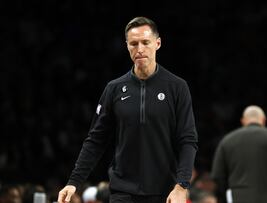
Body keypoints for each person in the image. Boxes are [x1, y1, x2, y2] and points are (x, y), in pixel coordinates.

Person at [57, 16, 198, 203]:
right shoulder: (114, 89)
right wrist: (73, 181)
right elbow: (96, 140)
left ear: (158, 43)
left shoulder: (177, 87)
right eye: (133, 43)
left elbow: (187, 140)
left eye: (145, 42)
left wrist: (182, 186)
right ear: (127, 46)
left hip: (165, 193)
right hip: (122, 192)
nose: (139, 49)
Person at [211, 105, 267, 203]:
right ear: (264, 120)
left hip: (238, 198)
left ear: (243, 121)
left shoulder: (227, 140)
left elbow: (217, 175)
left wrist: (230, 194)